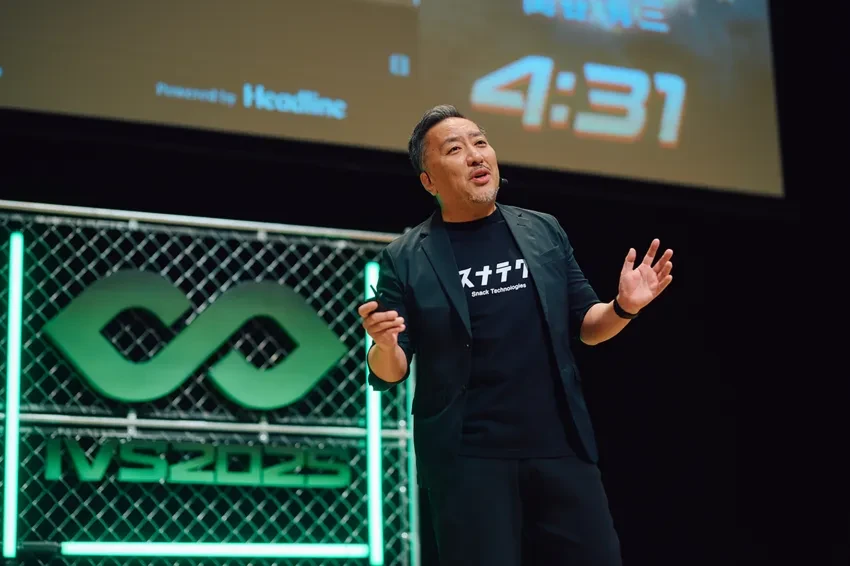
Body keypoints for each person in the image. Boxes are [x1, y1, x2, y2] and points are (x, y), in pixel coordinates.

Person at [358, 105, 673, 566]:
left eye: (480, 142)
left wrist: (624, 306)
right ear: (429, 181)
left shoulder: (542, 229)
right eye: (454, 149)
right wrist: (384, 346)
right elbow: (391, 370)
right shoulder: (404, 257)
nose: (475, 155)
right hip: (467, 460)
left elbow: (587, 326)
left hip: (560, 448)